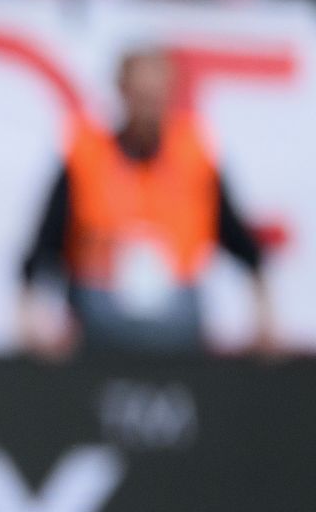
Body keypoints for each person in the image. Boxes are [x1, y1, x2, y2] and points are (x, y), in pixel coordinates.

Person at [18, 46, 278, 356]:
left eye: (156, 97)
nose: (148, 109)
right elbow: (45, 241)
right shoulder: (88, 155)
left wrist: (264, 316)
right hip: (100, 303)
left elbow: (239, 239)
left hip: (176, 308)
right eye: (140, 97)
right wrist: (31, 319)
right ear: (122, 93)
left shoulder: (194, 155)